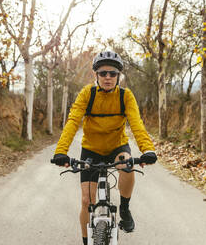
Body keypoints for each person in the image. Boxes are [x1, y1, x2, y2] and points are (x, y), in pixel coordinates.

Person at [51, 51, 157, 245]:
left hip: (117, 146)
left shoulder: (126, 96)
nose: (108, 77)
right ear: (96, 75)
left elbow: (136, 124)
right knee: (86, 201)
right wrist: (61, 151)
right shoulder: (87, 94)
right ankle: (86, 241)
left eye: (113, 73)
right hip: (91, 150)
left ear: (118, 76)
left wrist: (147, 150)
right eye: (103, 73)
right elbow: (73, 121)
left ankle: (124, 208)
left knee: (126, 164)